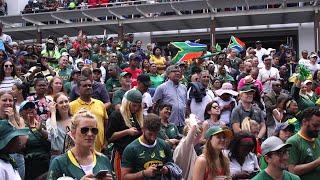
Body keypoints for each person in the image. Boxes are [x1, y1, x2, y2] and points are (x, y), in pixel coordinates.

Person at [47, 109, 114, 180]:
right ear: (73, 132)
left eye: (94, 130)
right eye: (84, 130)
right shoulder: (59, 163)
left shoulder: (103, 160)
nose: (90, 134)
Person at [121, 113, 179, 179]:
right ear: (143, 129)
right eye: (150, 134)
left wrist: (166, 169)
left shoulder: (164, 145)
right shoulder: (131, 149)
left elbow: (173, 168)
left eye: (156, 134)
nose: (153, 138)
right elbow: (124, 177)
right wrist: (144, 173)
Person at [106, 89, 143, 179]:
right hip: (120, 153)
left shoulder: (137, 116)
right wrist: (127, 132)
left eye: (138, 106)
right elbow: (109, 137)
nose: (136, 108)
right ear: (127, 103)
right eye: (134, 105)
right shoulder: (116, 115)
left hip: (136, 155)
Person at [69, 76, 108, 152]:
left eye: (90, 85)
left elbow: (105, 123)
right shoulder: (71, 106)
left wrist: (105, 141)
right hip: (79, 150)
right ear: (78, 89)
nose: (88, 87)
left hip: (99, 149)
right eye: (85, 86)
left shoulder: (100, 104)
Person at [20, 100, 50, 180]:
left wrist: (40, 130)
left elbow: (50, 141)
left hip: (45, 162)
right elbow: (21, 145)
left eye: (32, 107)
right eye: (26, 108)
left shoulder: (42, 124)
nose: (30, 109)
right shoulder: (19, 127)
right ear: (21, 112)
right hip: (30, 164)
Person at [287, 107, 320, 180]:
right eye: (315, 125)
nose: (318, 129)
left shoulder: (317, 138)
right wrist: (317, 162)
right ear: (304, 122)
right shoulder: (293, 142)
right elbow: (292, 171)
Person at [153, 65, 187, 132]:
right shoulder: (161, 88)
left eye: (179, 71)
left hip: (182, 124)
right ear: (168, 74)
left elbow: (185, 105)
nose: (177, 73)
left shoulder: (184, 87)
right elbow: (155, 106)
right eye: (174, 71)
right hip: (167, 125)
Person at [173, 114, 202, 180]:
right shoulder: (185, 145)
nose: (201, 137)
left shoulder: (190, 147)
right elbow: (194, 126)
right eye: (200, 133)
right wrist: (192, 116)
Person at [46, 92, 72, 157]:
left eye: (66, 101)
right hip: (58, 157)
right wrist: (53, 112)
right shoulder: (51, 121)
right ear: (56, 106)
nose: (64, 104)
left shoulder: (75, 119)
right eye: (61, 102)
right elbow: (52, 133)